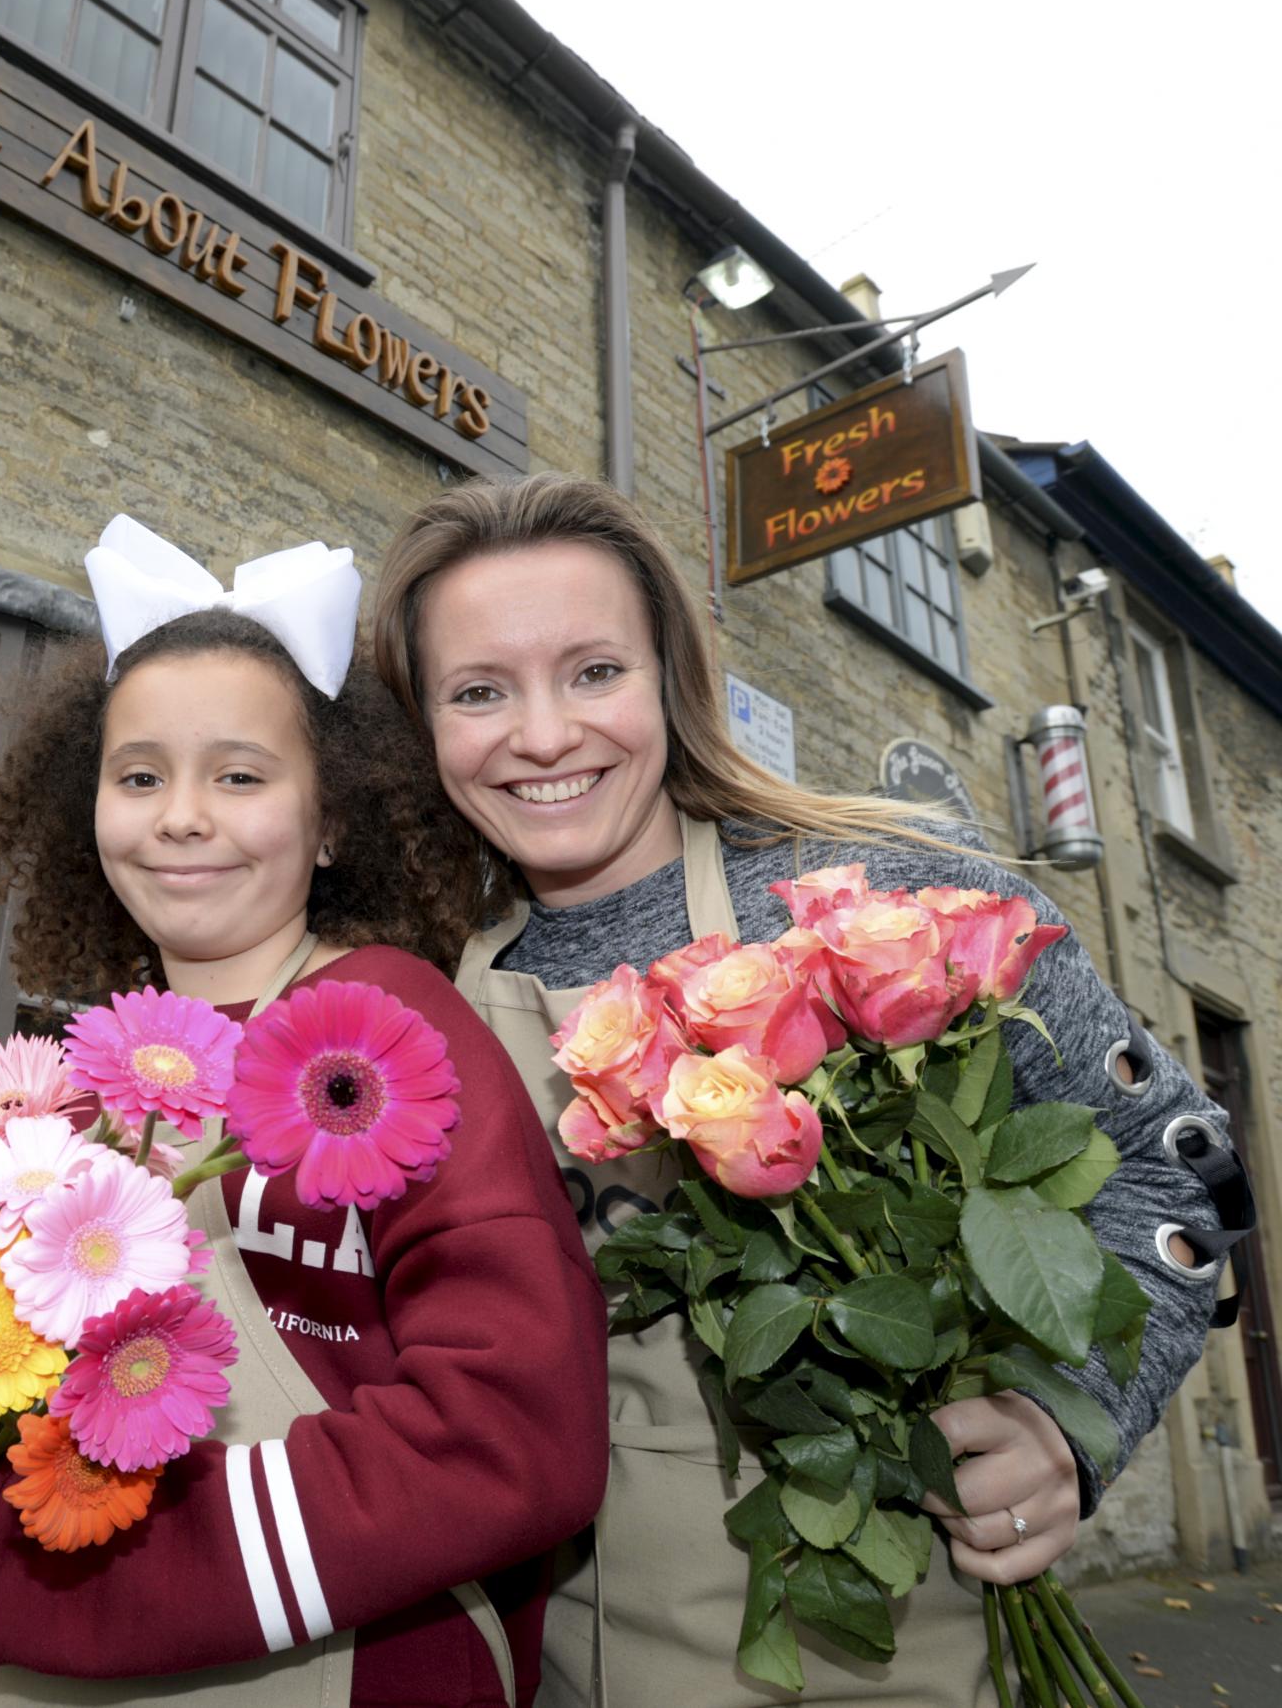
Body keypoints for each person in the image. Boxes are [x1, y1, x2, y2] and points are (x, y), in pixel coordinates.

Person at [370, 472, 1244, 1707]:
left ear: (672, 678)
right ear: (427, 727)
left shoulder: (878, 898)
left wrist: (1069, 1417)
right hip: (555, 1665)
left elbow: (1177, 1166)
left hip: (887, 1654)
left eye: (594, 671)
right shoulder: (417, 999)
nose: (544, 734)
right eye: (478, 691)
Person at [0, 518, 608, 1708]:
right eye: (142, 775)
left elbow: (514, 1436)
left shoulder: (384, 1031)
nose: (181, 815)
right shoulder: (64, 1093)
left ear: (332, 824)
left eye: (241, 775)